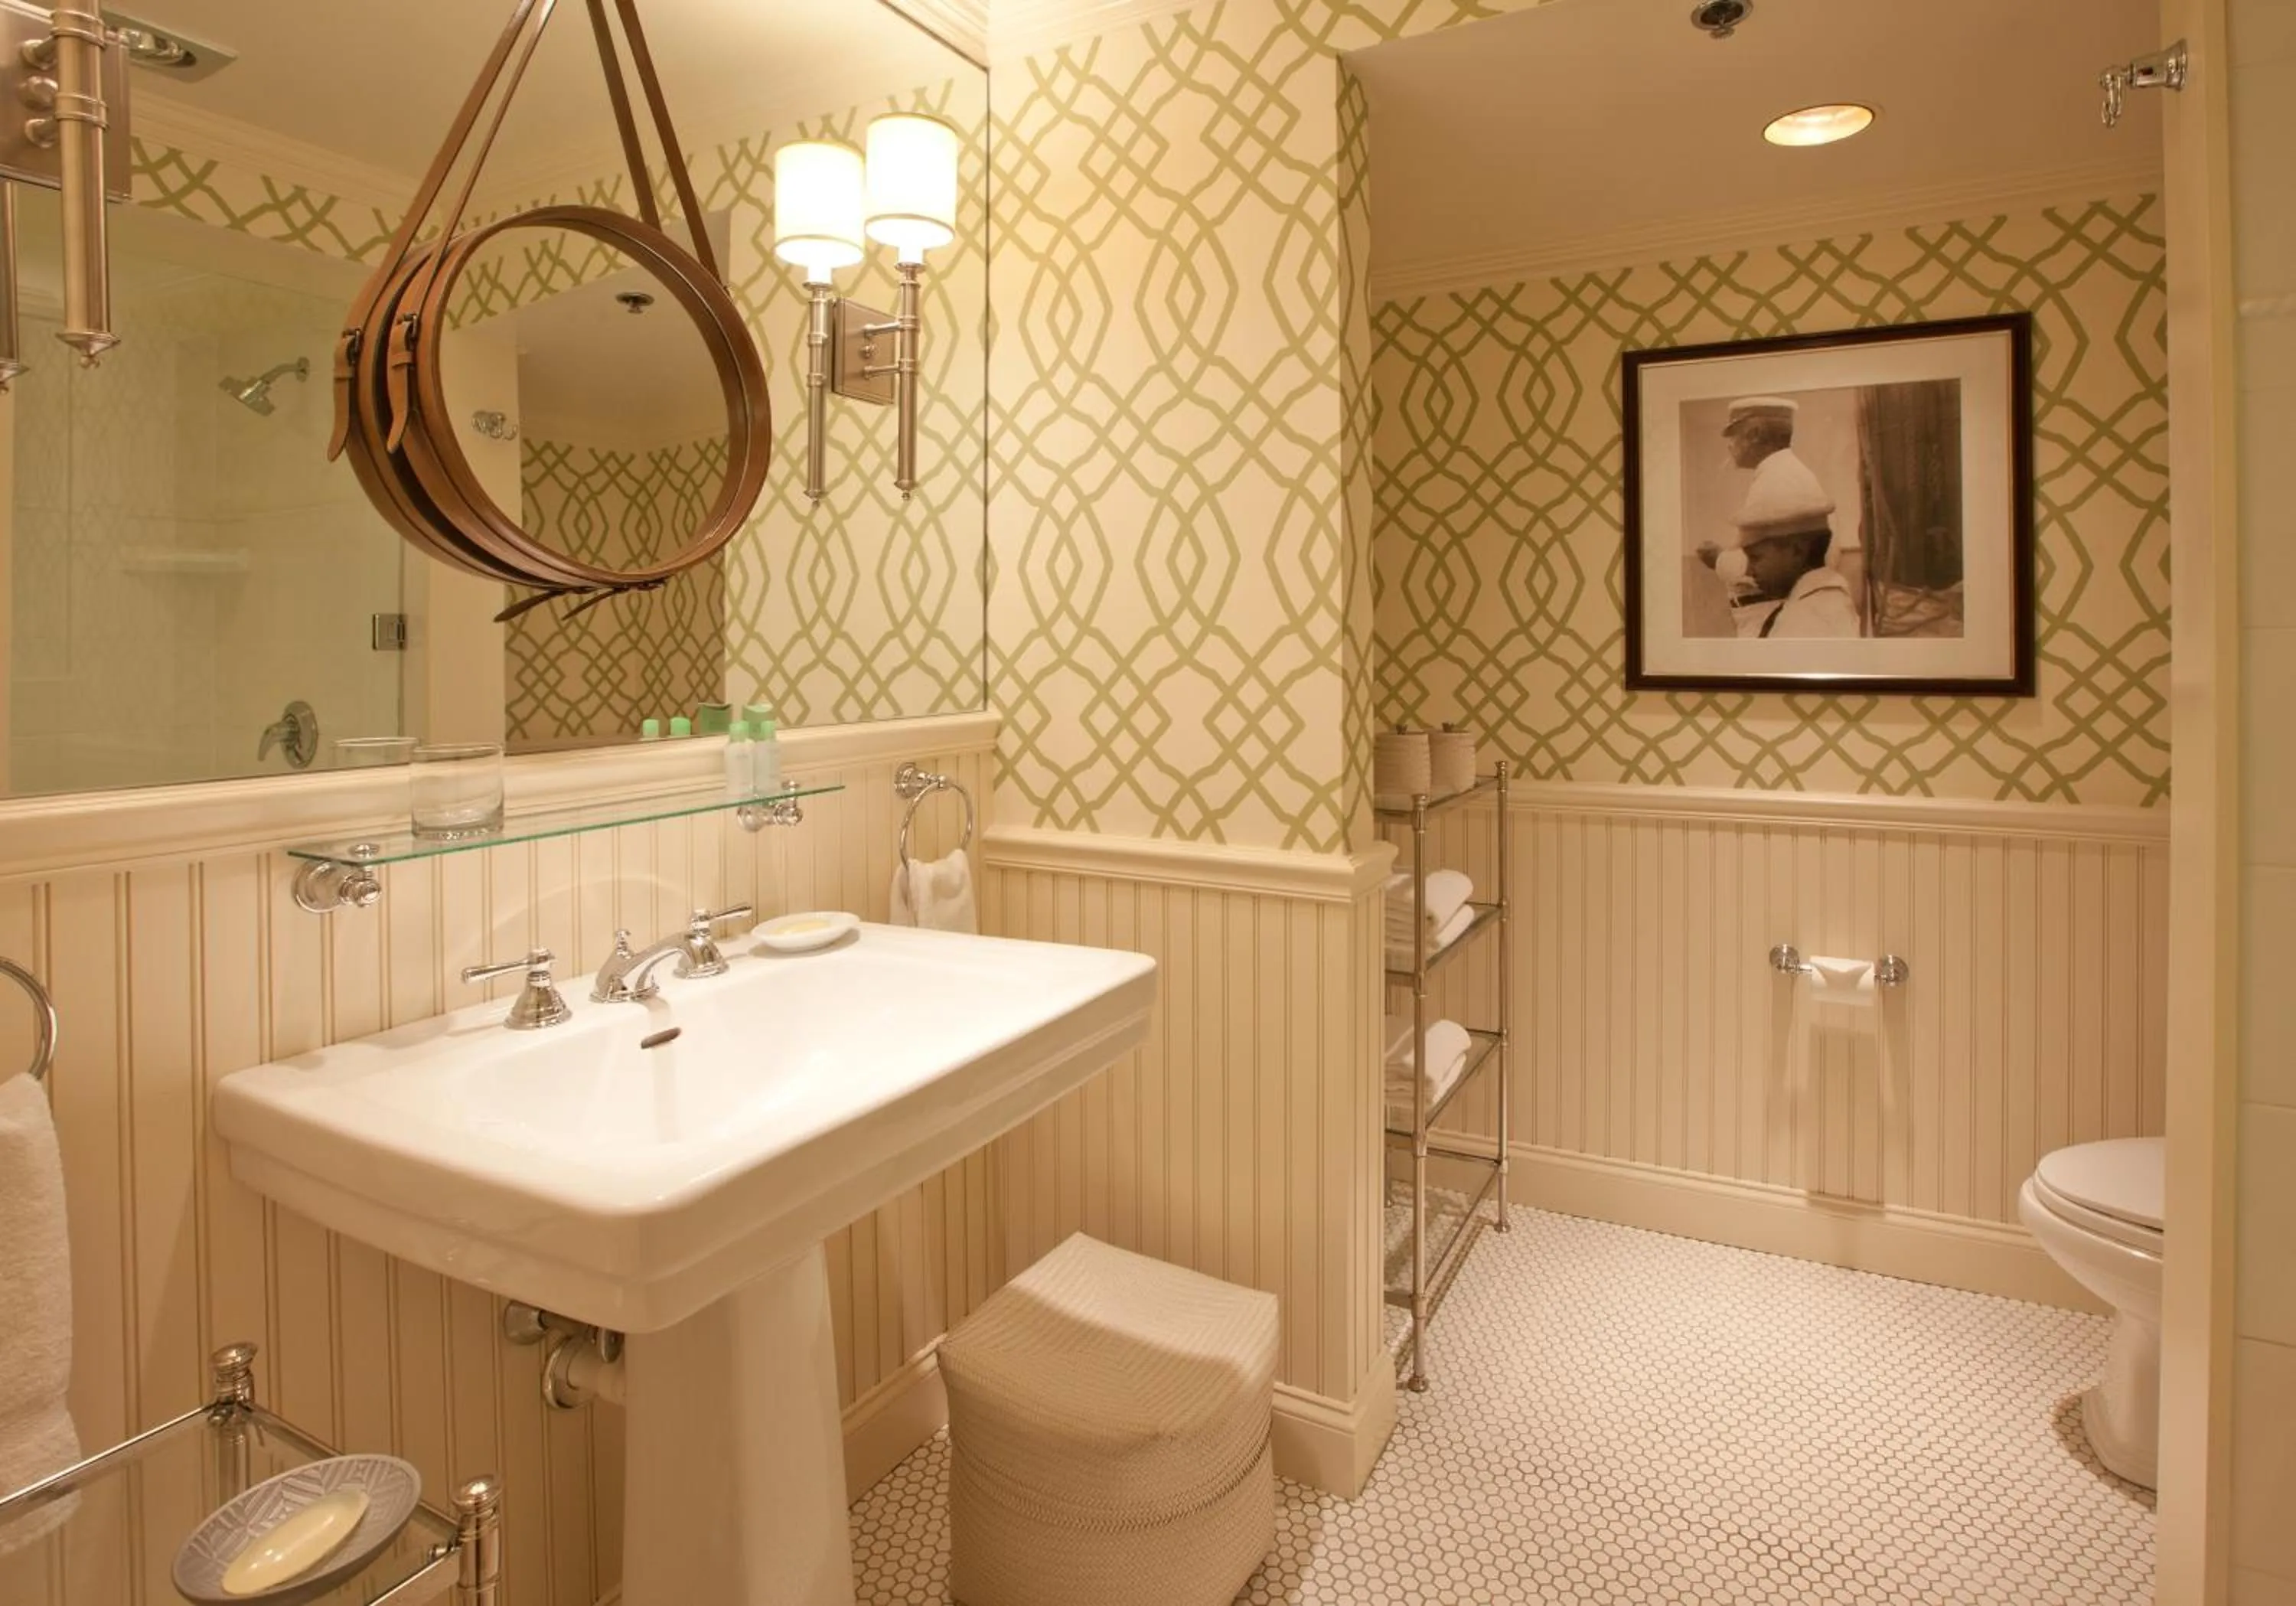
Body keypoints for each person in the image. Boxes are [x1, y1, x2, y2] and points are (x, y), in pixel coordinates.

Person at [1715, 396, 1859, 638]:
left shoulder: (1779, 479)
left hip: (1773, 616)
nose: (1729, 446)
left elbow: (1793, 557)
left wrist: (1718, 559)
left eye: (1733, 434)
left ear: (1755, 433)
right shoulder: (1781, 473)